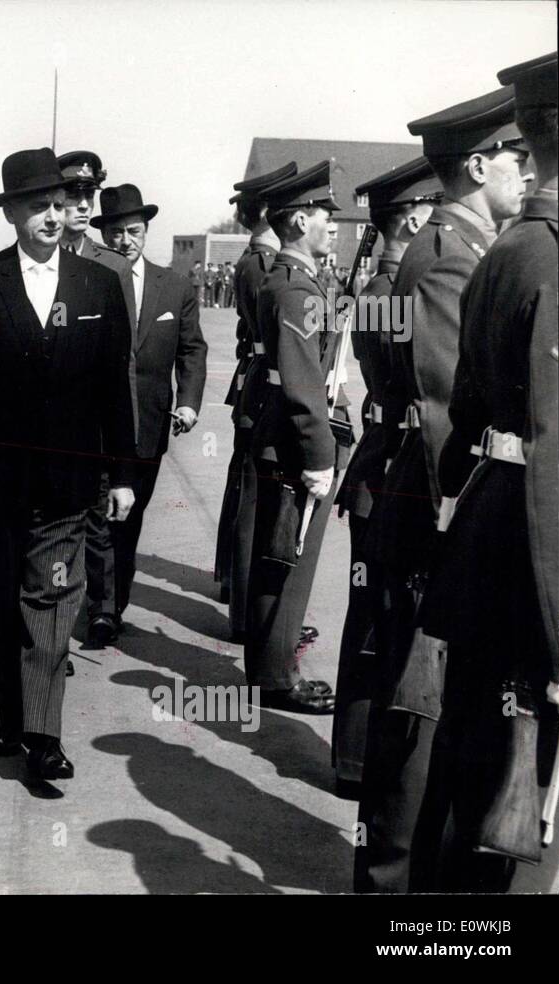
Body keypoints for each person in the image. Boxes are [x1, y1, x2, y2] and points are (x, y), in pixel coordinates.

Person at [355, 85, 528, 893]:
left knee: (417, 709)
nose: (524, 174)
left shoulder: (429, 246)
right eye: (515, 160)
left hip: (410, 499)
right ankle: (393, 885)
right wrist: (461, 521)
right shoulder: (455, 257)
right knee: (422, 715)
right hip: (433, 512)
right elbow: (441, 403)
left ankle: (392, 874)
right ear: (479, 164)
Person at [0, 148, 136, 781]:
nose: (52, 217)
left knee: (50, 603)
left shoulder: (99, 285)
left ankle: (44, 738)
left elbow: (114, 389)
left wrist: (124, 473)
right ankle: (12, 718)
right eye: (37, 207)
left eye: (58, 205)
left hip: (69, 485)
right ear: (11, 213)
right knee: (4, 605)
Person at [411, 51, 558, 894]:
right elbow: (551, 463)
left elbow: (468, 424)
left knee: (472, 789)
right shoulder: (548, 260)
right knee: (510, 813)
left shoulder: (510, 250)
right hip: (532, 575)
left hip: (491, 548)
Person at [331, 157, 440, 798]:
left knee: (368, 621)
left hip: (379, 468)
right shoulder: (392, 296)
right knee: (379, 627)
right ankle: (359, 763)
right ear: (411, 217)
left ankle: (352, 759)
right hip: (394, 474)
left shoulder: (377, 290)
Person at [244, 160, 350, 715]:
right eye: (322, 216)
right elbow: (303, 384)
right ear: (297, 222)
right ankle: (274, 678)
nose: (330, 225)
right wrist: (318, 455)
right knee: (289, 561)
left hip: (285, 438)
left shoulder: (295, 281)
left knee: (282, 557)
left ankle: (270, 667)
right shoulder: (292, 289)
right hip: (293, 442)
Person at [91, 183, 207, 634]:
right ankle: (100, 609)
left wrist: (190, 404)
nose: (126, 241)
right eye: (117, 232)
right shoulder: (87, 279)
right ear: (105, 235)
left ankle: (112, 603)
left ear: (146, 232)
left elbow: (192, 350)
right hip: (96, 422)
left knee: (128, 516)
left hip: (149, 424)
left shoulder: (174, 286)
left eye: (134, 231)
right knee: (95, 517)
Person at [214, 161, 296, 637]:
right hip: (263, 383)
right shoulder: (261, 263)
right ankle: (246, 611)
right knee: (252, 504)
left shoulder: (259, 260)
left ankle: (235, 587)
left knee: (246, 496)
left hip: (257, 380)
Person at [54, 150, 129, 653]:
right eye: (75, 196)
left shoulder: (112, 268)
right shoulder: (36, 258)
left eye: (90, 196)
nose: (83, 206)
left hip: (95, 421)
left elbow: (116, 356)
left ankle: (102, 612)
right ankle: (54, 628)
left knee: (97, 525)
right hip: (47, 422)